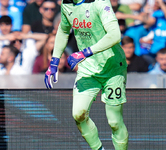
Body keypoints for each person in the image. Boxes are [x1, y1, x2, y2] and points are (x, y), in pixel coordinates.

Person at [44, 0, 128, 149]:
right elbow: (63, 31)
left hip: (112, 67)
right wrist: (54, 62)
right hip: (87, 69)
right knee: (78, 114)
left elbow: (115, 35)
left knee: (114, 122)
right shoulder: (67, 5)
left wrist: (85, 52)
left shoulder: (100, 3)